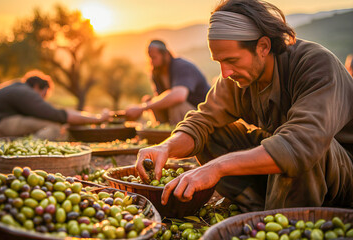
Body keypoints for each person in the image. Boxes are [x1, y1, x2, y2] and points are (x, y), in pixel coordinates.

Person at [135, 0, 353, 211]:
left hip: (340, 176)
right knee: (211, 134)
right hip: (288, 166)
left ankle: (290, 219)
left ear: (263, 47)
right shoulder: (237, 79)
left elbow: (300, 145)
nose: (225, 73)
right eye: (219, 62)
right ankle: (259, 209)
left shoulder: (315, 65)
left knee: (305, 148)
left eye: (232, 60)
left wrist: (217, 167)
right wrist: (166, 147)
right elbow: (201, 121)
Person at [0, 70, 110, 140]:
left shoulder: (18, 87)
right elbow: (59, 115)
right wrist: (98, 119)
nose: (42, 99)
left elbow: (54, 110)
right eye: (43, 95)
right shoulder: (26, 93)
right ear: (37, 87)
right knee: (54, 127)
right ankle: (27, 149)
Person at [125, 40, 211, 125]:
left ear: (165, 54)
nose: (151, 61)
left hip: (202, 114)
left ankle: (179, 136)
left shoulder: (182, 66)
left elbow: (179, 96)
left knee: (176, 105)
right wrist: (145, 105)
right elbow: (159, 99)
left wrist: (142, 108)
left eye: (154, 57)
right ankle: (161, 131)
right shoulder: (156, 73)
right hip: (182, 116)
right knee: (150, 101)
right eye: (150, 58)